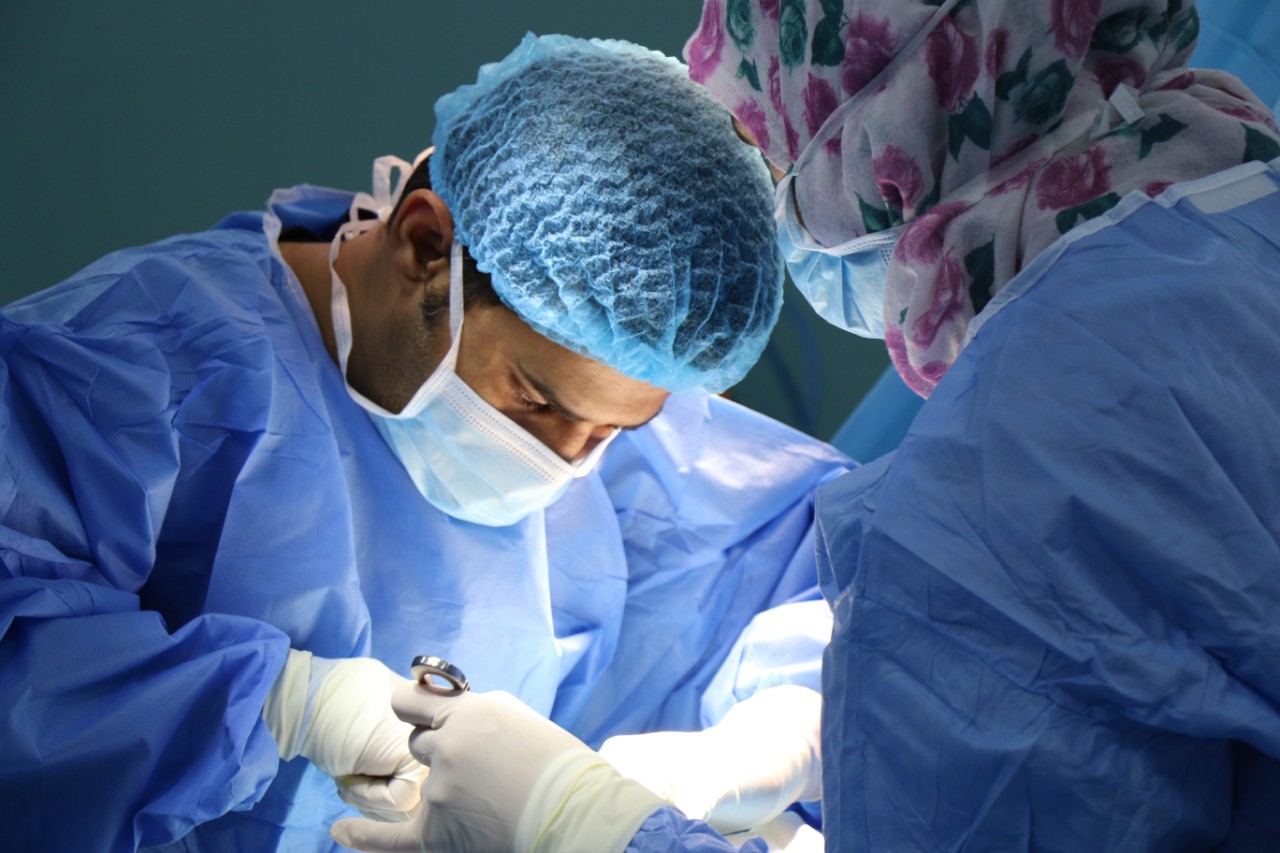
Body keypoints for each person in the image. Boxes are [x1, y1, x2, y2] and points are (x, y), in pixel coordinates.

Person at [337, 1, 1280, 851]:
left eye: (778, 164)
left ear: (880, 149)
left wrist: (588, 823)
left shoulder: (1024, 448)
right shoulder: (1244, 235)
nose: (779, 218)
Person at [0, 34, 854, 852]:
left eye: (615, 430)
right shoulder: (130, 367)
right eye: (534, 402)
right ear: (423, 244)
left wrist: (772, 735)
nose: (569, 459)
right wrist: (284, 704)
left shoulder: (617, 410)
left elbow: (851, 583)